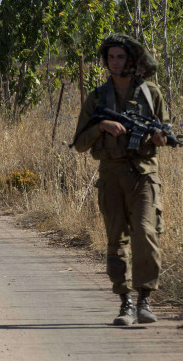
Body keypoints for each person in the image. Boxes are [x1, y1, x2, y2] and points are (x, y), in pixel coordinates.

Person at [72, 34, 168, 326]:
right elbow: (79, 144)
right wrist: (102, 125)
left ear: (131, 60)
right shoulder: (98, 98)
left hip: (144, 174)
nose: (115, 62)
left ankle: (144, 298)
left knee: (145, 232)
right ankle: (124, 301)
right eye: (111, 57)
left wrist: (158, 136)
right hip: (111, 175)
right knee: (116, 240)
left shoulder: (151, 93)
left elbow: (164, 135)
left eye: (120, 57)